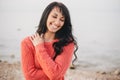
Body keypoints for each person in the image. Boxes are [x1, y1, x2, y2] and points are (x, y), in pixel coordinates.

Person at [21, 1, 78, 80]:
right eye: (54, 17)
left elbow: (55, 75)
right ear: (46, 15)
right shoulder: (27, 43)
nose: (57, 22)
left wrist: (39, 47)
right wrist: (55, 72)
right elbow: (29, 75)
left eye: (62, 20)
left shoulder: (67, 43)